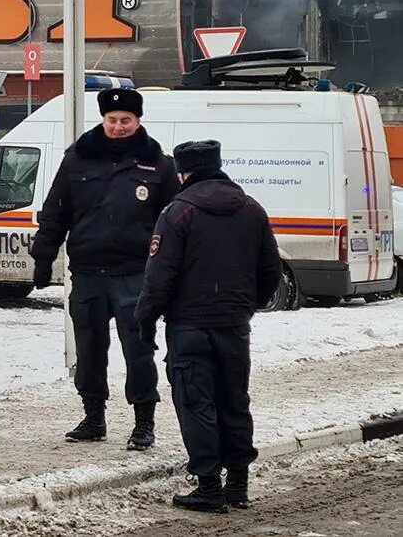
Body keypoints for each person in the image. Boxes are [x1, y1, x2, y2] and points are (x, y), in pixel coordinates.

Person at [136, 140, 281, 513]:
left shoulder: (178, 212)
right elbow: (270, 272)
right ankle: (238, 484)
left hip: (190, 326)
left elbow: (159, 277)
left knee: (196, 402)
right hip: (234, 325)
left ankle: (209, 487)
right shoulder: (252, 209)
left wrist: (146, 319)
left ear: (184, 173)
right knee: (234, 400)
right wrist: (248, 305)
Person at [30, 87, 179, 450]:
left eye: (125, 120)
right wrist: (43, 256)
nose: (118, 126)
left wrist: (173, 272)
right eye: (112, 120)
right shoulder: (78, 158)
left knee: (138, 351)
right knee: (90, 349)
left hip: (135, 274)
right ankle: (93, 416)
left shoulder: (159, 164)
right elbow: (56, 211)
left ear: (138, 121)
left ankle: (144, 421)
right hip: (88, 272)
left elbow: (176, 221)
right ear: (103, 120)